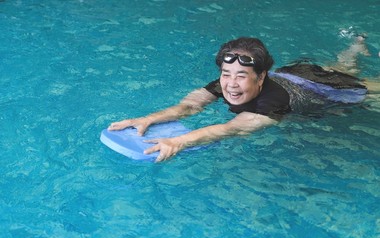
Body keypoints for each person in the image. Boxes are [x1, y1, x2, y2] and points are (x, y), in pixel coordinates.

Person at [108, 36, 376, 162]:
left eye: (241, 76)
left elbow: (230, 129)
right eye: (226, 74)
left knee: (352, 83)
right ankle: (353, 48)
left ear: (261, 78)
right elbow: (188, 106)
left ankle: (353, 52)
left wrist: (176, 141)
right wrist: (147, 119)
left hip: (326, 91)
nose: (231, 84)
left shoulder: (271, 104)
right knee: (338, 69)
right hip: (296, 74)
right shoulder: (224, 83)